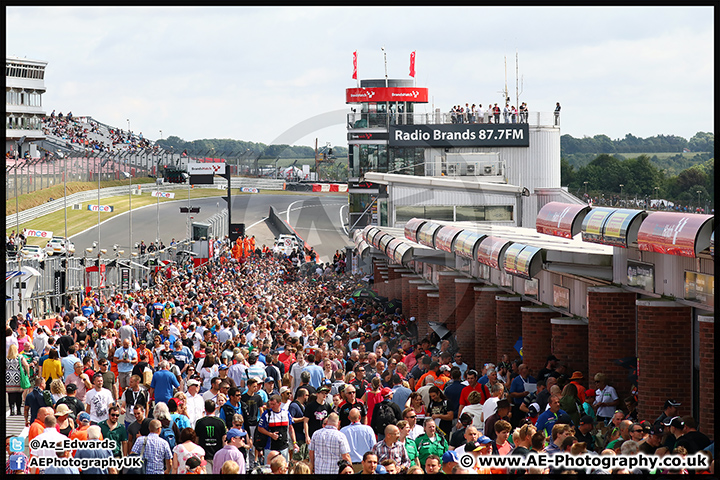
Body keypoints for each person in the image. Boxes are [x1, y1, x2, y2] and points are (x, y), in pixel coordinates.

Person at [257, 394, 298, 462]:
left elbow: (291, 428)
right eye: (270, 404)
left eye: (273, 404)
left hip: (284, 447)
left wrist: (294, 442)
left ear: (279, 404)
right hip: (270, 447)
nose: (271, 406)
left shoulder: (286, 413)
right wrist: (271, 434)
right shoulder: (266, 414)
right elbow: (260, 428)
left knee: (284, 468)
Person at [195, 400, 227, 474]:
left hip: (204, 455)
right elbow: (224, 440)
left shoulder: (199, 422)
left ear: (205, 409)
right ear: (215, 409)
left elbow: (197, 440)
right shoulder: (221, 422)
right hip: (218, 454)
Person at [340, 407, 377, 472]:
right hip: (365, 464)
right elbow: (374, 447)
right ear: (360, 417)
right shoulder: (368, 430)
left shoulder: (343, 431)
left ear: (349, 418)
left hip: (349, 465)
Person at [6, 343, 30, 416]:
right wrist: (27, 374)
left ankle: (12, 409)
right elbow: (26, 365)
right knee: (19, 394)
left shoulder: (7, 358)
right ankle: (19, 410)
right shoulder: (20, 357)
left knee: (10, 395)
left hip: (9, 378)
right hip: (18, 377)